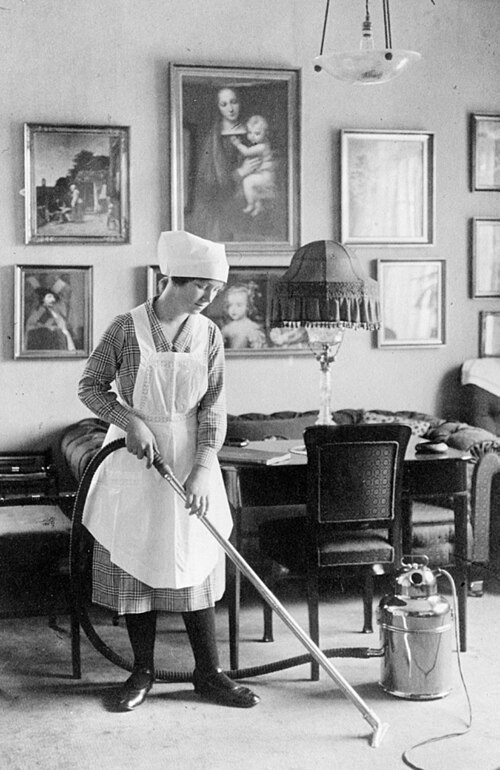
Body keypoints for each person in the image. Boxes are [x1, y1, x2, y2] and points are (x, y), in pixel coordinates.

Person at [78, 230, 260, 712]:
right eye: (201, 286)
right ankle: (142, 671)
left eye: (216, 290)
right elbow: (91, 387)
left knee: (195, 558)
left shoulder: (210, 336)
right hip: (134, 461)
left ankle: (209, 673)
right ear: (168, 279)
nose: (209, 298)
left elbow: (214, 410)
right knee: (138, 562)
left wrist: (203, 470)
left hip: (189, 459)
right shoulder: (125, 327)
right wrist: (129, 420)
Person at [187, 86, 261, 241]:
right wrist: (240, 173)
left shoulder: (254, 133)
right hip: (221, 209)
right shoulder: (213, 140)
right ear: (218, 108)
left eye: (234, 102)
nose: (230, 109)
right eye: (224, 104)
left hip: (248, 207)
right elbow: (207, 185)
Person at [230, 115, 276, 217]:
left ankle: (250, 204)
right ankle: (258, 207)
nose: (252, 136)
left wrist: (238, 144)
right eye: (250, 132)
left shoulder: (262, 146)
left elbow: (246, 152)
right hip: (264, 174)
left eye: (257, 133)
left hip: (266, 176)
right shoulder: (261, 144)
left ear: (266, 133)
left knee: (247, 182)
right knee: (254, 189)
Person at [221, 283, 266, 350]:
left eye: (239, 305)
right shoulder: (226, 329)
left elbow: (258, 351)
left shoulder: (252, 327)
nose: (233, 309)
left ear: (247, 307)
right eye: (230, 305)